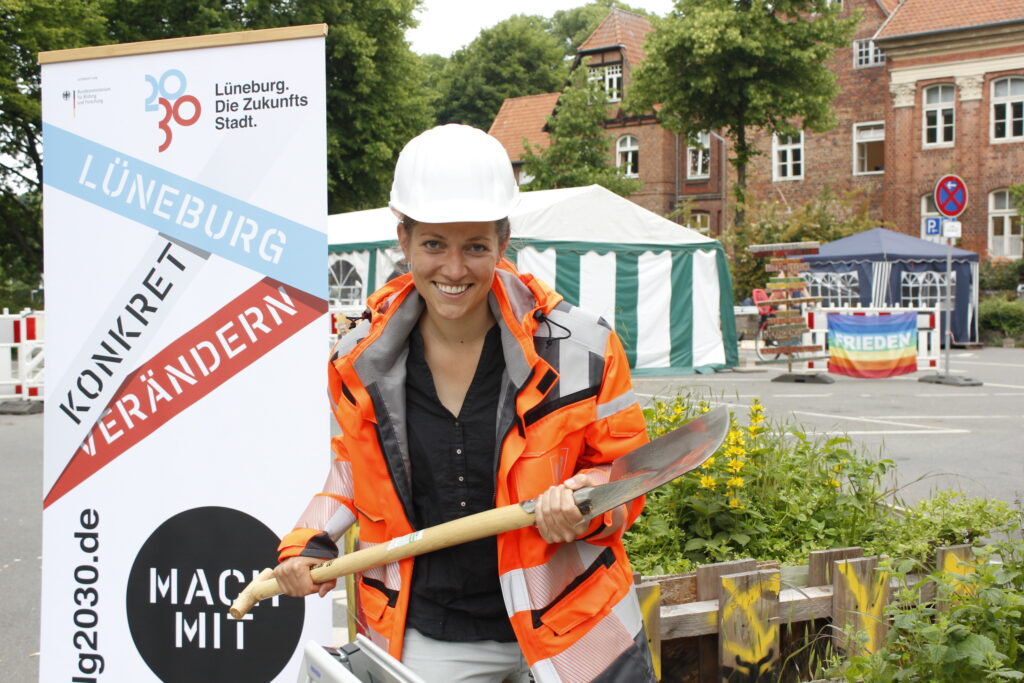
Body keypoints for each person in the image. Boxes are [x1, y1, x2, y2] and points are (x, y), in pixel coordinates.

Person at [274, 124, 657, 683]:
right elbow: (351, 475)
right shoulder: (356, 360)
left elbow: (630, 476)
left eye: (475, 246)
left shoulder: (583, 347)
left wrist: (589, 501)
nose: (454, 271)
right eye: (434, 245)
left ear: (503, 244)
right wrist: (306, 543)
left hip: (573, 625)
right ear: (402, 239)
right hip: (428, 636)